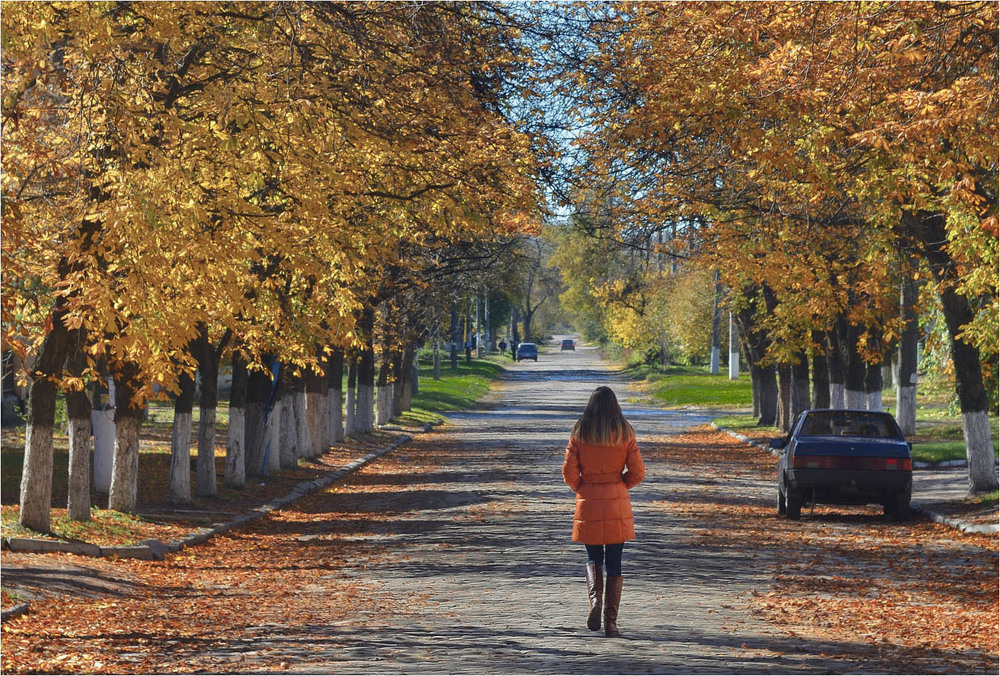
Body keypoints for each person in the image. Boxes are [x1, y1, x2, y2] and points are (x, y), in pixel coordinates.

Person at [562, 386, 645, 638]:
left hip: (589, 500)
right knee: (615, 561)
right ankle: (611, 622)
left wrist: (583, 488)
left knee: (593, 557)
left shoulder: (580, 431)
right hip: (616, 501)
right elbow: (638, 472)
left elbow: (568, 472)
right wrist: (619, 485)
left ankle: (595, 601)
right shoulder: (624, 430)